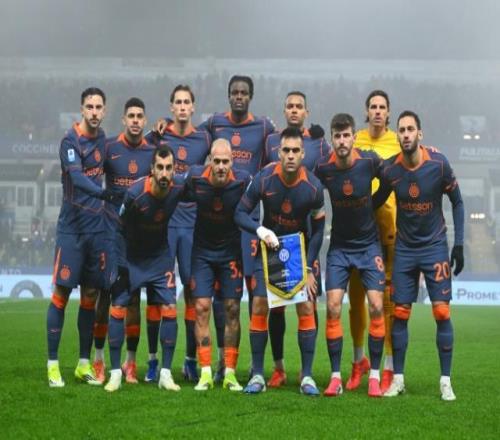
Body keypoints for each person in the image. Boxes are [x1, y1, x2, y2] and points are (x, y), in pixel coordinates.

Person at [160, 75, 276, 381]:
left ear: (250, 96)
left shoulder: (264, 127)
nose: (239, 96)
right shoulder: (213, 124)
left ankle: (253, 366)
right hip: (211, 224)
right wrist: (163, 127)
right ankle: (210, 363)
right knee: (206, 301)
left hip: (245, 221)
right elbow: (186, 134)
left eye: (243, 92)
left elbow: (283, 149)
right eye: (234, 92)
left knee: (250, 297)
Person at [373, 110, 464, 401]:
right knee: (399, 313)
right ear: (397, 135)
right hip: (405, 249)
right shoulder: (391, 169)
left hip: (434, 246)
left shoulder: (438, 163)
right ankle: (398, 379)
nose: (406, 134)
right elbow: (375, 201)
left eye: (410, 129)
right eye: (401, 130)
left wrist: (459, 244)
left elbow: (458, 202)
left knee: (442, 312)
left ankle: (445, 381)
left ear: (419, 134)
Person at [235, 126, 325, 395]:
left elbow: (319, 229)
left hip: (299, 252)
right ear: (279, 152)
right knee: (259, 305)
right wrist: (260, 230)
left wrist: (308, 266)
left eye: (295, 150)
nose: (290, 155)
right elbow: (239, 213)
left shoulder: (313, 187)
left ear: (303, 154)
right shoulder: (264, 179)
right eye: (286, 150)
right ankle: (258, 375)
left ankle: (307, 377)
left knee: (306, 308)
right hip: (269, 250)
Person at [47, 87, 117, 387]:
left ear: (105, 110)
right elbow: (76, 177)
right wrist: (103, 193)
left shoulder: (103, 139)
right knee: (61, 295)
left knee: (90, 297)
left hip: (96, 231)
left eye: (99, 107)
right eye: (89, 107)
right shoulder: (70, 140)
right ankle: (52, 365)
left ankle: (83, 363)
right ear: (81, 109)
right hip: (72, 231)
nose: (94, 112)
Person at [315, 113, 386, 397]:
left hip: (369, 246)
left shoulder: (369, 161)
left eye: (346, 135)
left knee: (376, 306)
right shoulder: (324, 168)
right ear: (332, 139)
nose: (342, 141)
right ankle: (335, 377)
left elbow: (391, 180)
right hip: (339, 249)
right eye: (337, 136)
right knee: (333, 307)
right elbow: (308, 189)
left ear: (354, 137)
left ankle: (375, 376)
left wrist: (372, 204)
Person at [104, 145, 186, 392]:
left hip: (160, 258)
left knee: (170, 308)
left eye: (169, 168)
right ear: (152, 169)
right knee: (118, 308)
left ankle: (165, 374)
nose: (164, 173)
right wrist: (120, 263)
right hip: (131, 258)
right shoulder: (135, 194)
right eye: (160, 167)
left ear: (174, 170)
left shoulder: (179, 188)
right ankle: (115, 373)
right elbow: (119, 229)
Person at [263, 91, 330, 387]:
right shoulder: (270, 140)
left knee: (309, 304)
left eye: (298, 106)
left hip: (307, 234)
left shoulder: (320, 143)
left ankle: (307, 372)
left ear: (306, 112)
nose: (293, 110)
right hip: (277, 235)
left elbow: (331, 171)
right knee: (276, 306)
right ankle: (278, 368)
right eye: (289, 106)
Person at [148, 85, 211, 383]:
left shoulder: (204, 138)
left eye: (187, 102)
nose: (183, 106)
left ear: (193, 107)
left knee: (192, 293)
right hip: (164, 223)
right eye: (178, 102)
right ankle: (152, 360)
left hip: (193, 224)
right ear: (171, 107)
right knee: (158, 292)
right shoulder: (159, 137)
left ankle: (189, 360)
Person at [92, 97, 155, 384]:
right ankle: (99, 359)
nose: (135, 120)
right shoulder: (109, 148)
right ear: (123, 119)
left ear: (145, 120)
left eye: (140, 116)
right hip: (109, 233)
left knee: (133, 299)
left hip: (137, 238)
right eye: (131, 115)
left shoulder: (151, 152)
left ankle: (131, 363)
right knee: (105, 295)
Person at [183, 139, 251, 392]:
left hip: (231, 253)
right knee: (201, 308)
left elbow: (263, 196)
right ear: (209, 161)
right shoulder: (194, 177)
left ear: (232, 162)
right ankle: (205, 373)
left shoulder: (243, 181)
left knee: (232, 309)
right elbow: (172, 193)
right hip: (202, 253)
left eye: (226, 162)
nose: (221, 166)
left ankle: (230, 373)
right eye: (217, 161)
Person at [346, 90, 400, 393]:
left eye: (382, 107)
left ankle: (389, 366)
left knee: (387, 301)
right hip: (358, 230)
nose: (377, 111)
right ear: (366, 112)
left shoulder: (398, 142)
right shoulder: (355, 140)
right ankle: (359, 361)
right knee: (356, 300)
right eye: (373, 107)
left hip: (389, 230)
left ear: (388, 113)